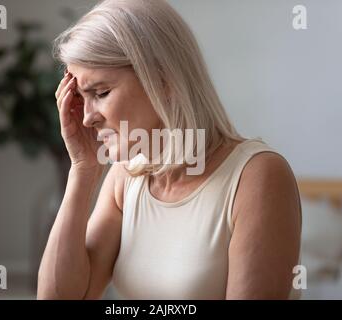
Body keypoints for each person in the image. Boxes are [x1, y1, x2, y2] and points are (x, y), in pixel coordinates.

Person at [37, 0, 302, 300]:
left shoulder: (257, 176)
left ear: (163, 79)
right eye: (81, 99)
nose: (87, 117)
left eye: (100, 93)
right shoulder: (127, 178)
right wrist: (82, 170)